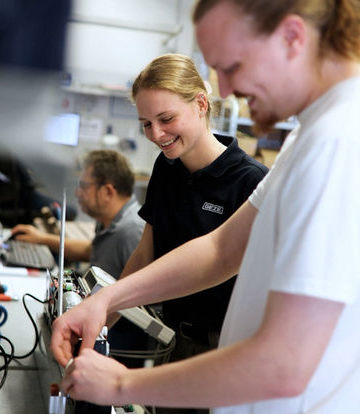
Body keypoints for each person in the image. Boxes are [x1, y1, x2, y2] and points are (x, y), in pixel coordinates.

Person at [52, 1, 360, 413]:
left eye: (232, 66)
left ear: (291, 37)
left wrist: (120, 384)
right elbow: (221, 250)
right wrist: (105, 301)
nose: (225, 91)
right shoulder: (316, 132)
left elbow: (285, 365)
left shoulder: (344, 143)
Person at [116, 53, 267, 371]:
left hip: (224, 348)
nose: (156, 134)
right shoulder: (167, 166)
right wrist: (100, 315)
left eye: (166, 119)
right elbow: (146, 253)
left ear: (201, 104)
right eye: (146, 124)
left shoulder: (251, 181)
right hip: (168, 338)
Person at [11, 149, 144, 279]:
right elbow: (92, 251)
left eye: (84, 186)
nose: (77, 193)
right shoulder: (110, 220)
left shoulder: (132, 232)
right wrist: (42, 238)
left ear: (108, 192)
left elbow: (140, 294)